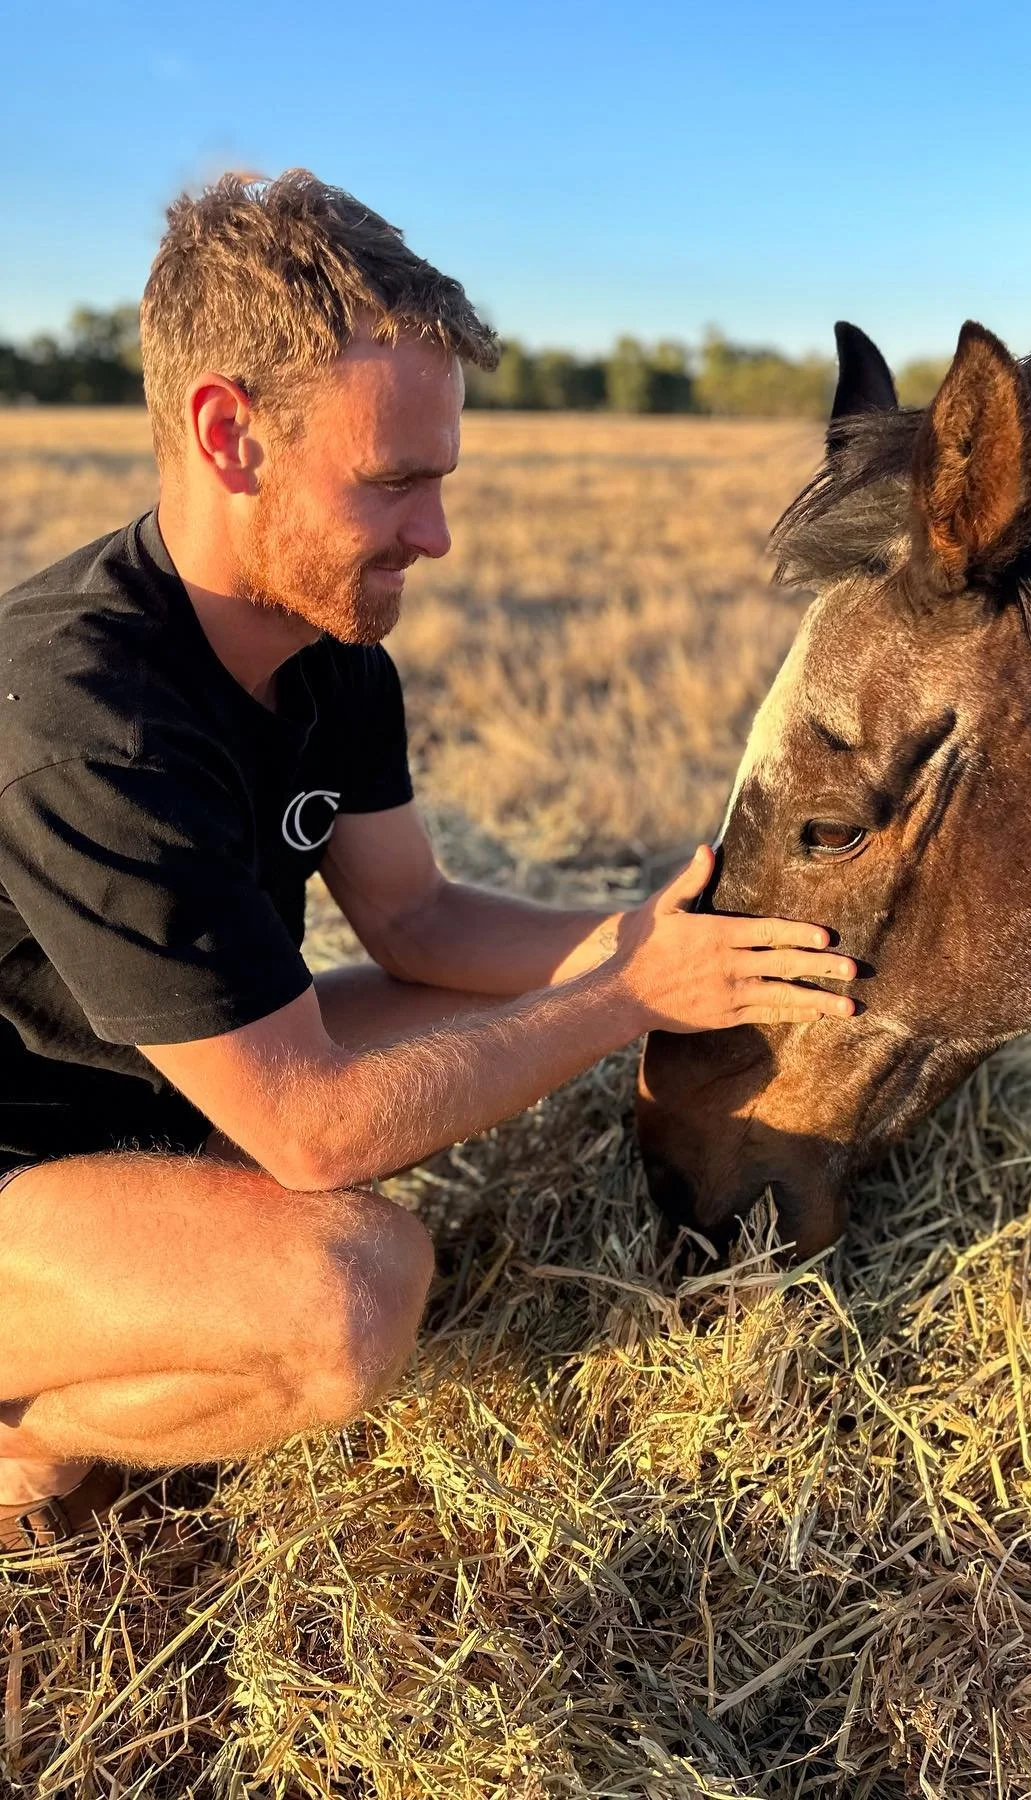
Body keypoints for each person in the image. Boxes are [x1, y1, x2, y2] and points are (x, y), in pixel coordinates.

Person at [0, 172, 857, 1551]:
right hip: (22, 1172)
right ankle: (24, 1433)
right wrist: (627, 997)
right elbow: (312, 1130)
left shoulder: (328, 653)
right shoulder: (83, 722)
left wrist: (672, 937)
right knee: (351, 1295)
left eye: (441, 481)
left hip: (158, 1100)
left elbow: (415, 918)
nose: (437, 538)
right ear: (230, 436)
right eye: (394, 483)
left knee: (485, 1012)